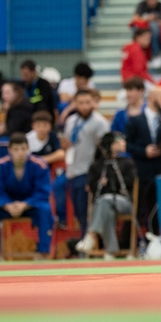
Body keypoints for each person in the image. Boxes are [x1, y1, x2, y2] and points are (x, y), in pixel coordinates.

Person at [0, 133, 54, 261]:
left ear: (28, 148)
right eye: (16, 149)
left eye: (23, 149)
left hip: (31, 206)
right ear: (9, 150)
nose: (20, 153)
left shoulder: (39, 165)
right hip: (7, 206)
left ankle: (44, 253)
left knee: (46, 209)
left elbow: (43, 192)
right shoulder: (0, 166)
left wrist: (25, 204)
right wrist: (7, 205)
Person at [125, 86, 161, 234]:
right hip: (142, 169)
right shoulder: (135, 120)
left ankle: (154, 237)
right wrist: (144, 151)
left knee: (156, 206)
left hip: (160, 168)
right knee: (138, 206)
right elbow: (127, 145)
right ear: (152, 98)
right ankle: (132, 240)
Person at [76, 132, 136, 259]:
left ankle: (91, 235)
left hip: (123, 202)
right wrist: (100, 183)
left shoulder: (127, 163)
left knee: (105, 200)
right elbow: (92, 187)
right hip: (103, 204)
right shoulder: (97, 165)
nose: (123, 143)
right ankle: (111, 251)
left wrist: (111, 183)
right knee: (106, 208)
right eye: (118, 141)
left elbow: (130, 182)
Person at [59, 89, 110, 236]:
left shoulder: (100, 123)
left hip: (88, 171)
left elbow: (105, 151)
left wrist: (98, 174)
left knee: (85, 209)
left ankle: (87, 239)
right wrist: (64, 145)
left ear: (93, 103)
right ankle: (84, 238)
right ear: (75, 103)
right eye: (81, 103)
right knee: (77, 210)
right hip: (72, 169)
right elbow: (68, 142)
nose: (84, 106)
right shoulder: (71, 121)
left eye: (88, 103)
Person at [134, 0, 161, 67]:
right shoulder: (142, 5)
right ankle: (140, 54)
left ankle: (156, 54)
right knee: (136, 28)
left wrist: (155, 20)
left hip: (157, 33)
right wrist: (147, 19)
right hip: (144, 29)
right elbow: (135, 19)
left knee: (154, 26)